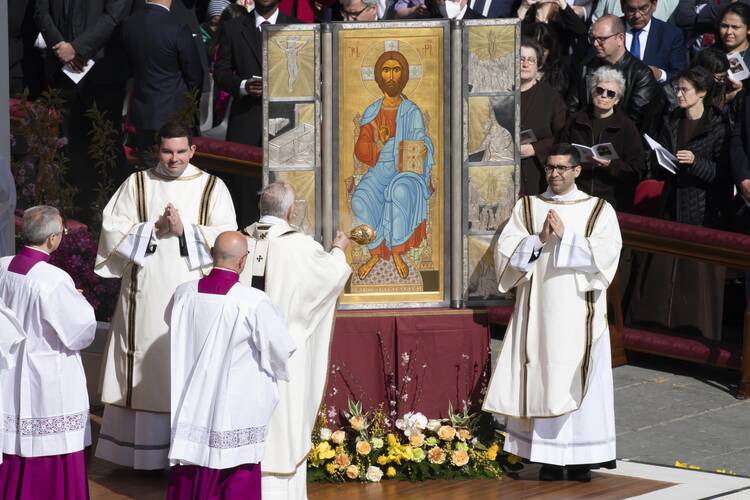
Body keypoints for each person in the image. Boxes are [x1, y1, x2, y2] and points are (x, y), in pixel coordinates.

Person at [94, 121, 237, 470]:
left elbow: (229, 236)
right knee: (146, 365)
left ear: (193, 151)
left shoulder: (212, 187)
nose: (173, 159)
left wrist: (184, 229)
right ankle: (142, 456)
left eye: (180, 152)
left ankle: (187, 456)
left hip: (193, 296)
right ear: (157, 150)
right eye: (166, 151)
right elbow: (112, 229)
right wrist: (153, 229)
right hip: (144, 295)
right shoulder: (138, 184)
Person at [483, 143, 622, 482]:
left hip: (580, 312)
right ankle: (545, 457)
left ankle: (581, 459)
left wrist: (568, 237)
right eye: (550, 168)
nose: (555, 174)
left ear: (577, 171)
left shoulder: (598, 209)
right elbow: (506, 256)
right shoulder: (529, 208)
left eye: (562, 168)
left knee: (576, 377)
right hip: (539, 312)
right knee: (543, 377)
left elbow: (607, 255)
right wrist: (539, 239)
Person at [238, 182, 351, 500]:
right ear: (290, 211)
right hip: (284, 354)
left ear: (261, 208)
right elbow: (330, 275)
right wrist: (340, 248)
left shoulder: (239, 240)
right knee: (283, 422)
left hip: (244, 353)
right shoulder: (300, 246)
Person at [166, 231, 295, 500]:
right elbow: (280, 349)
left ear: (213, 253)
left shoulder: (183, 294)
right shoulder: (253, 302)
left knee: (194, 465)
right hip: (235, 408)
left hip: (192, 403)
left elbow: (172, 323)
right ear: (242, 262)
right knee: (236, 473)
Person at [0, 206, 97, 499]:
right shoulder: (54, 280)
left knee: (13, 439)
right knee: (49, 444)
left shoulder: (3, 265)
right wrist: (78, 302)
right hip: (45, 375)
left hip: (9, 368)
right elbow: (80, 332)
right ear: (54, 238)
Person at [627, 67, 731, 341]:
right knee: (660, 268)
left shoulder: (717, 124)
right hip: (670, 201)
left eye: (685, 90)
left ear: (702, 93)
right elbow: (657, 156)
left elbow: (723, 173)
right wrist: (661, 160)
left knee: (694, 274)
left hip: (701, 207)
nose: (679, 94)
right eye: (678, 89)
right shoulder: (672, 119)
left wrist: (696, 163)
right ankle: (653, 330)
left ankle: (692, 335)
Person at [34, 0, 132, 222]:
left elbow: (113, 15)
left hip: (101, 71)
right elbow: (41, 10)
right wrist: (59, 45)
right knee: (67, 146)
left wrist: (77, 48)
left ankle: (111, 216)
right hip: (61, 71)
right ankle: (72, 213)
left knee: (105, 147)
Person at [351, 50, 435, 281]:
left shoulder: (412, 112)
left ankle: (397, 252)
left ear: (404, 75)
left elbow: (419, 145)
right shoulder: (372, 111)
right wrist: (379, 143)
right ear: (379, 76)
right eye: (386, 70)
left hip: (406, 172)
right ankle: (376, 251)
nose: (391, 75)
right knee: (360, 199)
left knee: (398, 192)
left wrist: (420, 149)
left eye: (396, 70)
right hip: (380, 170)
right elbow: (361, 150)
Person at [122, 0, 205, 151]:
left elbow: (127, 65)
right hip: (174, 111)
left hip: (142, 109)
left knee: (147, 164)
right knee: (173, 166)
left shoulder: (129, 23)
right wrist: (191, 105)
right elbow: (194, 73)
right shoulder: (177, 26)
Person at [559, 66, 646, 211]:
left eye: (610, 93)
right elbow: (559, 152)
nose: (604, 96)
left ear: (617, 99)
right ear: (592, 91)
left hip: (611, 201)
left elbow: (637, 169)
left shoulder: (626, 127)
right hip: (575, 195)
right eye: (599, 90)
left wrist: (611, 165)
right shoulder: (575, 121)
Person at [569, 15, 665, 135]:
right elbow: (573, 108)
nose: (595, 44)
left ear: (620, 38)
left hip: (621, 142)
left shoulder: (641, 75)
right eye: (592, 38)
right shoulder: (585, 67)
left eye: (601, 39)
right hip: (585, 135)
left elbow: (636, 121)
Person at [519, 38, 567, 195]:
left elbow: (563, 136)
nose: (525, 64)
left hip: (537, 174)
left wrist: (534, 149)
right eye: (520, 59)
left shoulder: (551, 98)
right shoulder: (499, 95)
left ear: (539, 65)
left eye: (531, 60)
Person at [621, 0, 687, 83]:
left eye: (643, 8)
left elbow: (680, 73)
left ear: (654, 5)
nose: (637, 15)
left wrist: (660, 75)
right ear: (622, 6)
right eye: (631, 9)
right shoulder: (610, 30)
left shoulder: (671, 35)